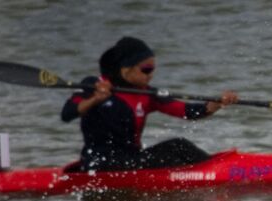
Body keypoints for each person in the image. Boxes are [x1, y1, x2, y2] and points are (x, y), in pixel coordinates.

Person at [60, 36, 237, 171]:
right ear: (125, 69)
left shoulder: (147, 94)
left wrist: (216, 104)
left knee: (179, 145)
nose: (150, 74)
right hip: (100, 163)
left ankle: (216, 170)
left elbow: (185, 110)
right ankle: (215, 173)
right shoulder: (93, 85)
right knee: (175, 151)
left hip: (131, 159)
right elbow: (67, 114)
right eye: (146, 69)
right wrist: (95, 100)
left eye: (153, 69)